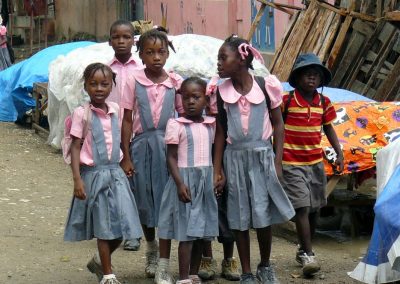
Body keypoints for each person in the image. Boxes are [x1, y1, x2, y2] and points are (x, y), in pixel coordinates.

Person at [214, 35, 295, 284]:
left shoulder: (265, 85)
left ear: (241, 59)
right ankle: (247, 271)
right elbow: (220, 131)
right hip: (234, 159)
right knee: (239, 217)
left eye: (222, 57)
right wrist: (217, 169)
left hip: (262, 157)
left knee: (262, 215)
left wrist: (277, 162)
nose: (218, 63)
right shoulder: (220, 91)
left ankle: (265, 265)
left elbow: (279, 125)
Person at [64, 63, 143, 284]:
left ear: (111, 87)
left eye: (104, 84)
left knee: (125, 225)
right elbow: (76, 146)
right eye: (93, 84)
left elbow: (121, 139)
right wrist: (77, 180)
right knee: (104, 225)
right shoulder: (82, 114)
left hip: (115, 175)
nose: (99, 88)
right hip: (94, 176)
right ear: (86, 87)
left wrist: (126, 159)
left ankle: (100, 260)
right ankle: (108, 276)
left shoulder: (116, 111)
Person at [120, 28, 183, 284]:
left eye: (161, 52)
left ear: (168, 54)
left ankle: (164, 266)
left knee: (167, 203)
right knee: (145, 200)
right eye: (150, 52)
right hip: (142, 147)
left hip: (169, 150)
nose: (156, 57)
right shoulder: (133, 81)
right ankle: (151, 248)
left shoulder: (175, 82)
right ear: (141, 55)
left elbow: (183, 119)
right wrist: (126, 156)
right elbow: (126, 119)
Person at [281, 53, 343, 276]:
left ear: (320, 80)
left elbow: (328, 128)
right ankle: (308, 255)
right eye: (307, 74)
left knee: (315, 209)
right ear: (297, 78)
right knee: (302, 207)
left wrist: (339, 152)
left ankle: (302, 249)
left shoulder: (324, 103)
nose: (311, 77)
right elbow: (276, 128)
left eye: (315, 75)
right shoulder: (286, 101)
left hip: (315, 163)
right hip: (291, 162)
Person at [158, 77, 220, 284]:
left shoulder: (211, 126)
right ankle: (183, 276)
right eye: (186, 98)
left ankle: (193, 273)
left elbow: (215, 153)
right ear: (180, 100)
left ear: (206, 99)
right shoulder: (176, 125)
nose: (191, 102)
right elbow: (171, 157)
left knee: (201, 231)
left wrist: (217, 175)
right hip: (185, 183)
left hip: (205, 184)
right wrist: (179, 183)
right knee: (186, 233)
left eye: (196, 97)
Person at [197, 76, 241, 282]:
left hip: (229, 159)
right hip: (203, 161)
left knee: (227, 209)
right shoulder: (200, 120)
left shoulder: (234, 94)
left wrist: (220, 170)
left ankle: (229, 259)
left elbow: (223, 141)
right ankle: (207, 257)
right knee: (206, 209)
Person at [107, 19, 143, 251]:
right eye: (116, 37)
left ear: (133, 40)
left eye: (126, 37)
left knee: (134, 183)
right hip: (110, 134)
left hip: (136, 133)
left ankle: (134, 232)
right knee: (114, 183)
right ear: (110, 41)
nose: (121, 41)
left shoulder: (142, 69)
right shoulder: (104, 69)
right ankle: (116, 228)